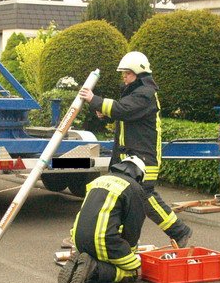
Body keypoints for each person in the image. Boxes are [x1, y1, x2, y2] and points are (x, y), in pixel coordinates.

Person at [79, 51, 192, 247]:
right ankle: (123, 242)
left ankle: (179, 231)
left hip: (143, 159)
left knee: (145, 197)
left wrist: (93, 99)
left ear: (139, 73)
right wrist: (105, 114)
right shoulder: (135, 92)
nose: (124, 76)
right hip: (130, 158)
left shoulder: (145, 94)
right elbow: (126, 113)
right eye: (123, 73)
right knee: (125, 197)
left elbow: (123, 109)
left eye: (127, 73)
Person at [59, 156, 147, 283]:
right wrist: (130, 251)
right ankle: (93, 269)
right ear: (139, 175)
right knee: (134, 269)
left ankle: (82, 262)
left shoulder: (98, 181)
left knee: (105, 255)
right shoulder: (134, 188)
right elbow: (133, 227)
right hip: (102, 240)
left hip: (78, 239)